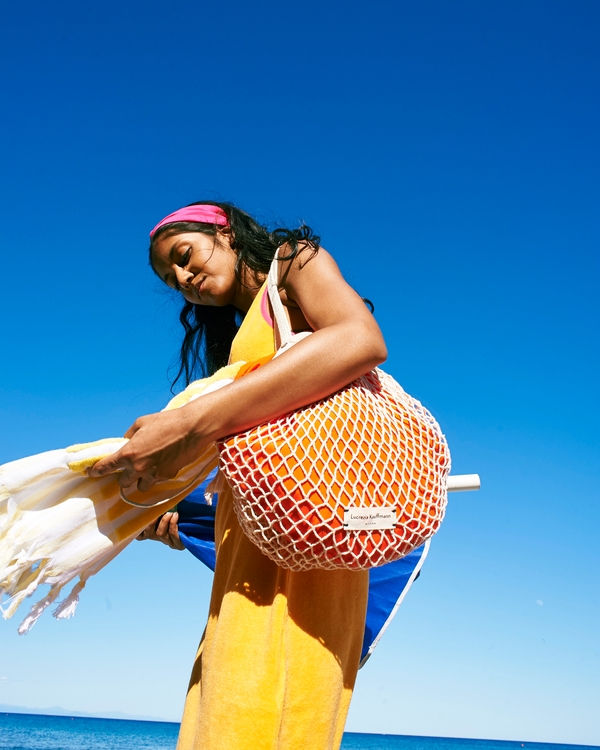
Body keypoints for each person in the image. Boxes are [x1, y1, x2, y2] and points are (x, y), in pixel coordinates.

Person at [89, 201, 388, 750]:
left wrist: (188, 421)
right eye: (172, 279)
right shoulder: (236, 342)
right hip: (253, 542)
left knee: (270, 699)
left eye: (184, 256)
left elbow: (360, 341)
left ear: (224, 231)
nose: (183, 279)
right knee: (228, 698)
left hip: (317, 536)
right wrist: (180, 509)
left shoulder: (295, 263)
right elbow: (253, 453)